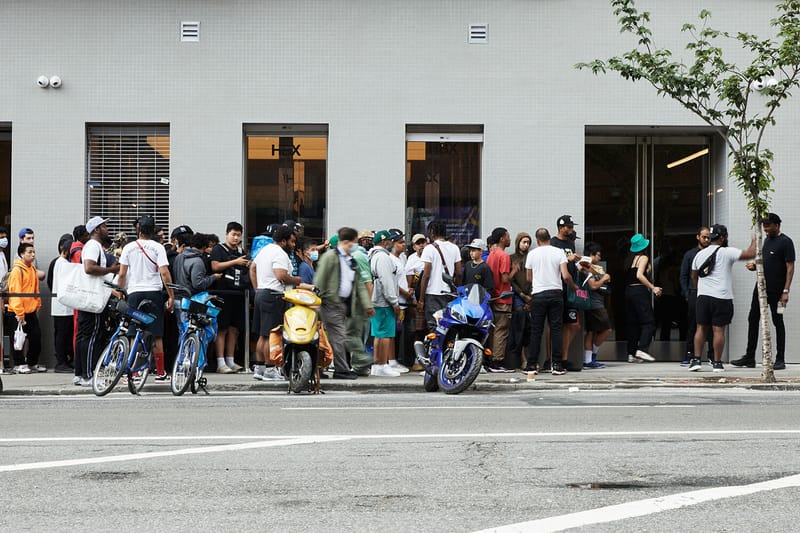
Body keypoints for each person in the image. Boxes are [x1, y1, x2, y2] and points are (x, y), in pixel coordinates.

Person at [731, 213, 795, 370]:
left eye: (768, 225)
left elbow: (790, 267)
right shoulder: (765, 240)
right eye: (764, 226)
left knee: (777, 321)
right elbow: (767, 263)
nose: (765, 229)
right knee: (752, 318)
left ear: (777, 225)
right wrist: (755, 266)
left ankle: (780, 359)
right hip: (760, 288)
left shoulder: (786, 242)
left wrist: (786, 290)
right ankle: (749, 357)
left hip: (778, 291)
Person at [690, 224, 756, 372]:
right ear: (722, 237)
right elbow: (751, 253)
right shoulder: (726, 252)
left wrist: (701, 289)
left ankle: (696, 360)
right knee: (718, 330)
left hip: (703, 297)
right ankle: (717, 362)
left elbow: (694, 276)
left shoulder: (699, 254)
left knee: (700, 328)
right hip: (722, 297)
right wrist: (754, 238)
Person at [117, 215, 175, 382]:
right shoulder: (158, 248)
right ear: (153, 230)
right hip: (153, 293)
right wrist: (171, 296)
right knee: (156, 334)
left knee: (134, 332)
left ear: (139, 229)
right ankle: (160, 372)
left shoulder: (128, 248)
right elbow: (165, 273)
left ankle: (133, 372)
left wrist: (121, 292)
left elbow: (122, 274)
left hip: (134, 293)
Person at [250, 225, 310, 381]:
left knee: (263, 335)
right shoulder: (280, 253)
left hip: (262, 293)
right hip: (273, 295)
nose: (293, 245)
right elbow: (281, 275)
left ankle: (260, 367)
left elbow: (252, 268)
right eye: (291, 241)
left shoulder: (265, 250)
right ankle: (270, 369)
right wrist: (295, 279)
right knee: (272, 334)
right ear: (283, 241)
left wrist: (257, 288)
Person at [314, 227, 374, 379]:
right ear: (346, 242)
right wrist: (316, 300)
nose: (355, 247)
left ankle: (342, 366)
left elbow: (359, 284)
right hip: (330, 304)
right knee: (340, 337)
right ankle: (342, 369)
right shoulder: (330, 257)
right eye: (354, 243)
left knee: (342, 336)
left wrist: (367, 305)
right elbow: (320, 280)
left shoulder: (351, 261)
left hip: (346, 306)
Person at [524, 228, 577, 376]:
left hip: (538, 295)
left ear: (537, 239)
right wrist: (574, 287)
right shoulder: (558, 252)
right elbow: (566, 276)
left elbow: (528, 278)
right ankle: (557, 365)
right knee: (556, 330)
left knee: (536, 331)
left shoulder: (532, 254)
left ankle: (531, 365)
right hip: (555, 293)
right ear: (548, 238)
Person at [74, 217, 120, 386]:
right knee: (91, 336)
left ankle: (79, 373)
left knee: (83, 335)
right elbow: (89, 268)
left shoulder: (93, 246)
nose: (107, 228)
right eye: (104, 226)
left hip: (89, 297)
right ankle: (87, 375)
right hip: (92, 297)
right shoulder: (93, 246)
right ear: (96, 230)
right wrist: (111, 270)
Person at [210, 222, 250, 374]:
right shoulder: (218, 249)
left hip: (238, 294)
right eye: (233, 234)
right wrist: (235, 262)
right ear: (226, 234)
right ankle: (220, 362)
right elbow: (215, 266)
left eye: (239, 235)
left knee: (234, 329)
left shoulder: (241, 251)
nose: (236, 238)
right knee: (222, 328)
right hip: (223, 294)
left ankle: (230, 360)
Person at [368, 230, 403, 377]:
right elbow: (387, 281)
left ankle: (377, 365)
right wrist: (395, 303)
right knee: (386, 334)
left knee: (378, 334)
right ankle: (382, 364)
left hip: (377, 299)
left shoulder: (374, 256)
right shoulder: (383, 257)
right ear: (384, 242)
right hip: (384, 301)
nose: (391, 243)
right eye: (389, 241)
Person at [550, 216, 583, 371]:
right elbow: (553, 263)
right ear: (561, 227)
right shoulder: (553, 243)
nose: (571, 230)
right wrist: (568, 258)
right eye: (569, 227)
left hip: (570, 287)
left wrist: (580, 262)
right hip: (558, 286)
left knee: (573, 324)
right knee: (555, 325)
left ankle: (563, 357)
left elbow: (572, 263)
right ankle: (553, 358)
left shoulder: (570, 242)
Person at [417, 220, 462, 331]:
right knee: (448, 326)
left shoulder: (429, 249)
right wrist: (456, 290)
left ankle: (435, 347)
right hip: (449, 294)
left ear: (432, 232)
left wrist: (421, 300)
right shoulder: (454, 248)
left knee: (434, 327)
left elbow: (426, 275)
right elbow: (459, 273)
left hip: (432, 294)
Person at [7, 242, 43, 374]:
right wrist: (20, 313)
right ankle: (19, 363)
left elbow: (35, 290)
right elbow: (15, 293)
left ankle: (32, 362)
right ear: (22, 254)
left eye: (33, 252)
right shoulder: (17, 270)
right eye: (29, 252)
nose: (33, 255)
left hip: (31, 311)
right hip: (17, 312)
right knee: (18, 340)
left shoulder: (32, 269)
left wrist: (38, 304)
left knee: (36, 338)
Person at [624, 233, 660, 363]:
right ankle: (642, 349)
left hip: (629, 291)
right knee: (649, 322)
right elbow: (639, 275)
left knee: (632, 323)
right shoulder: (643, 258)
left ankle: (631, 353)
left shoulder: (629, 260)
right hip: (639, 291)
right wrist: (653, 287)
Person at [679, 226, 712, 365]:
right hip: (694, 293)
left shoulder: (713, 253)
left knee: (710, 324)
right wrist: (687, 293)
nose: (706, 239)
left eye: (708, 237)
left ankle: (712, 355)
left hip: (710, 293)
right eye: (703, 237)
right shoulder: (690, 254)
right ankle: (689, 354)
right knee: (693, 324)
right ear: (697, 237)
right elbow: (683, 275)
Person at [486, 227, 515, 372]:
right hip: (503, 299)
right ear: (502, 238)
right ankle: (497, 361)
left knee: (493, 330)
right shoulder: (504, 256)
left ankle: (491, 357)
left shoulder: (491, 254)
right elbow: (505, 278)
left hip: (492, 298)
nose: (510, 239)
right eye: (508, 236)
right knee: (501, 331)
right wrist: (514, 270)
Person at [579, 245, 612, 369]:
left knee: (591, 331)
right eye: (598, 255)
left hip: (594, 303)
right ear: (591, 255)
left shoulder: (595, 268)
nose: (599, 257)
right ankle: (592, 356)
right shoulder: (586, 268)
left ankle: (588, 360)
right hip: (594, 304)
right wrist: (604, 278)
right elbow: (593, 286)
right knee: (607, 329)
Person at [49, 234, 75, 373]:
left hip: (64, 305)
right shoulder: (62, 263)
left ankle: (65, 361)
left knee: (65, 334)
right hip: (62, 306)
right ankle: (61, 362)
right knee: (62, 335)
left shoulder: (61, 262)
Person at [508, 232, 532, 370]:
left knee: (531, 328)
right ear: (518, 243)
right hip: (518, 296)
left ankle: (530, 359)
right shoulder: (511, 258)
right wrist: (522, 295)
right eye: (523, 242)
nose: (526, 245)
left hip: (532, 295)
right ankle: (523, 359)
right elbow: (511, 280)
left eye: (528, 242)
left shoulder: (532, 257)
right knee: (519, 327)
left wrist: (531, 296)